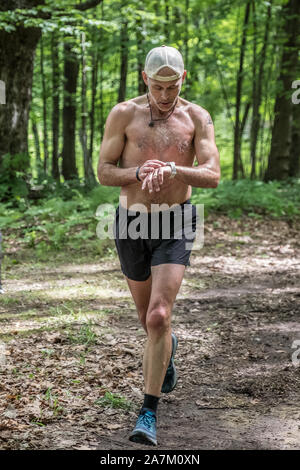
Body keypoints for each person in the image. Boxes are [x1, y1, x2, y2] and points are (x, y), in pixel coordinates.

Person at [97, 45, 220, 446]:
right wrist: (138, 171)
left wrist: (172, 168)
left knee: (157, 316)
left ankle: (148, 413)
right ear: (145, 78)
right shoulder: (124, 114)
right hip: (130, 222)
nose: (164, 95)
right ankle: (167, 346)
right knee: (147, 318)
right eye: (157, 86)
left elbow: (212, 174)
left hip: (177, 220)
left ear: (182, 79)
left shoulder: (196, 117)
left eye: (172, 86)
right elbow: (103, 172)